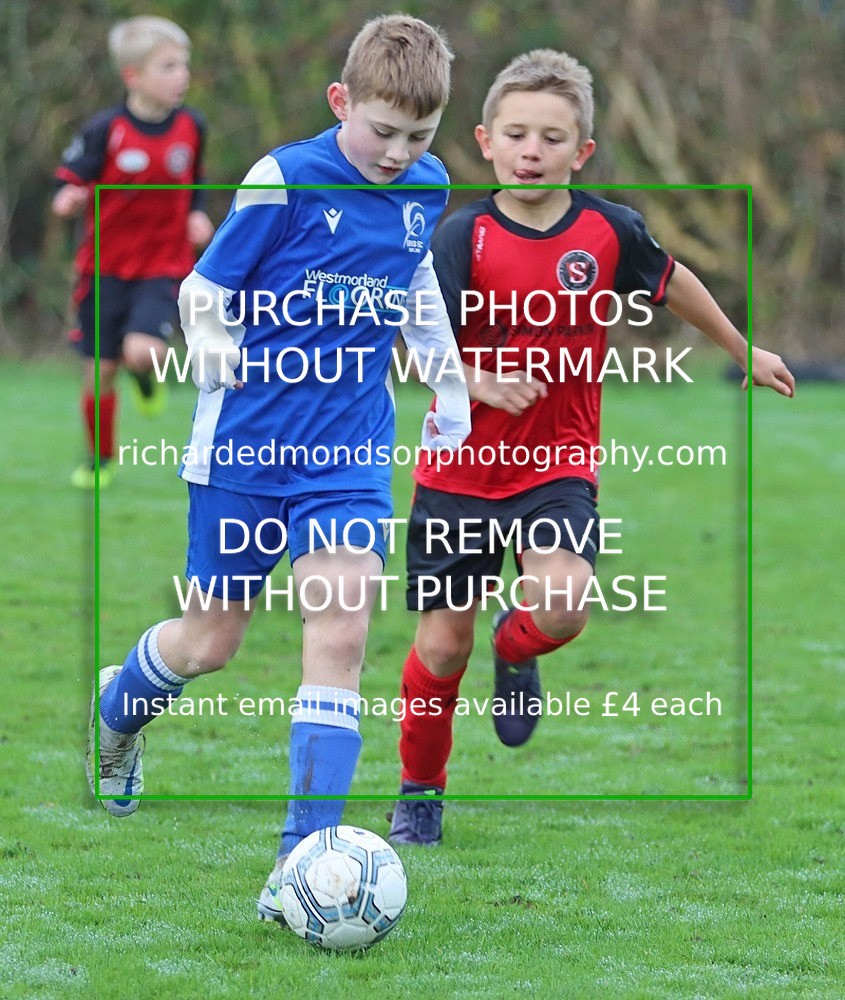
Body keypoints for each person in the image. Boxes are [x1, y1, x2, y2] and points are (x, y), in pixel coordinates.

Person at [84, 14, 470, 925]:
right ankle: (117, 711)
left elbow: (415, 285)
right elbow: (203, 289)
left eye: (419, 136)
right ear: (340, 102)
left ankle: (301, 862)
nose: (398, 153)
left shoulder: (428, 187)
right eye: (383, 131)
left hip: (349, 455)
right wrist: (216, 348)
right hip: (245, 448)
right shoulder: (283, 176)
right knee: (209, 643)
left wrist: (448, 386)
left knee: (339, 639)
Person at [388, 48, 795, 846]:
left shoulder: (607, 230)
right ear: (485, 141)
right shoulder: (462, 236)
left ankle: (515, 644)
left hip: (556, 464)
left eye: (551, 137)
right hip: (459, 472)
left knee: (564, 604)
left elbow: (672, 280)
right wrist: (474, 379)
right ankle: (419, 793)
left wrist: (742, 349)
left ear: (581, 152)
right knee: (439, 647)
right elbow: (413, 345)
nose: (531, 150)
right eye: (516, 134)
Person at [53, 15, 214, 489]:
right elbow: (71, 177)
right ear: (133, 76)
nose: (182, 75)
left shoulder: (192, 126)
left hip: (163, 265)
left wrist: (196, 214)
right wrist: (68, 198)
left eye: (184, 65)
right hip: (102, 269)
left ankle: (145, 378)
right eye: (168, 66)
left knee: (142, 353)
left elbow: (196, 181)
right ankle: (101, 459)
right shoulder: (106, 129)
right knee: (100, 372)